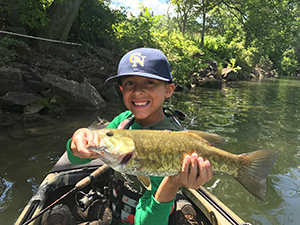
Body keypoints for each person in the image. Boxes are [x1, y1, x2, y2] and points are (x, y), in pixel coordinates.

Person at [44, 48, 213, 225]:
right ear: (121, 89)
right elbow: (79, 157)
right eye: (130, 83)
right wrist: (77, 142)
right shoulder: (123, 121)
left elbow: (148, 222)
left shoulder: (172, 144)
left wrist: (172, 183)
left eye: (149, 82)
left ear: (169, 90)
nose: (138, 91)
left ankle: (182, 210)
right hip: (114, 209)